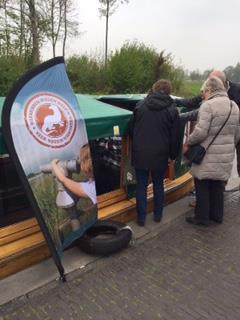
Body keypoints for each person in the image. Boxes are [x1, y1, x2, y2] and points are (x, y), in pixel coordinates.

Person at [184, 77, 239, 226]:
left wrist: (188, 142)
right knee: (217, 186)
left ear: (209, 90)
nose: (203, 95)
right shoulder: (233, 105)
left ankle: (201, 218)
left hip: (207, 155)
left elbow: (200, 133)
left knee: (202, 184)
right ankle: (217, 216)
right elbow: (237, 134)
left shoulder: (208, 106)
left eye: (204, 91)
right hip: (226, 154)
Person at [131, 79, 180, 226]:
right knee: (158, 184)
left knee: (141, 185)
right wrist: (173, 155)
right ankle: (158, 216)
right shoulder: (172, 110)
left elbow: (132, 130)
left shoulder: (140, 106)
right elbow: (175, 137)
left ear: (154, 89)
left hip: (141, 153)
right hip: (160, 154)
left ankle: (141, 218)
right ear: (169, 91)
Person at [176, 70, 240, 177]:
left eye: (212, 80)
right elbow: (193, 102)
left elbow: (200, 129)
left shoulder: (236, 91)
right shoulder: (209, 92)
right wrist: (174, 101)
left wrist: (188, 142)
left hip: (232, 133)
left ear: (221, 81)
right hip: (218, 138)